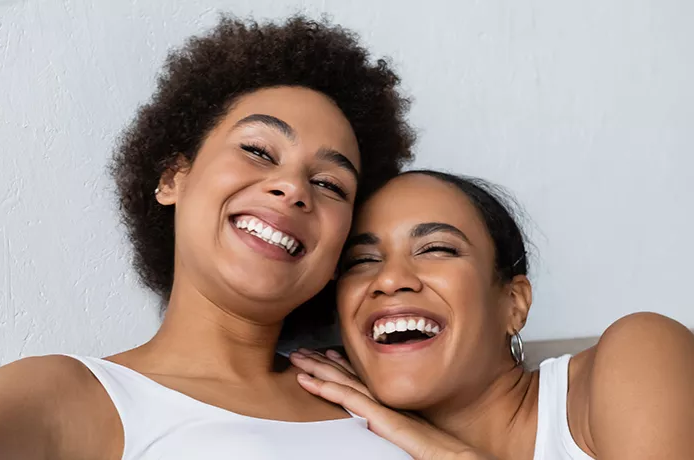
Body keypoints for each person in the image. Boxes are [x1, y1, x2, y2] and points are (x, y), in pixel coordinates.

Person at [0, 16, 419, 460]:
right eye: (259, 151)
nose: (293, 189)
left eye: (329, 184)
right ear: (172, 178)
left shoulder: (384, 386)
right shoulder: (67, 396)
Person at [290, 170, 694, 459]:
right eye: (362, 260)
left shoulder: (641, 353)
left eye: (437, 249)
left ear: (514, 303)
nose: (390, 279)